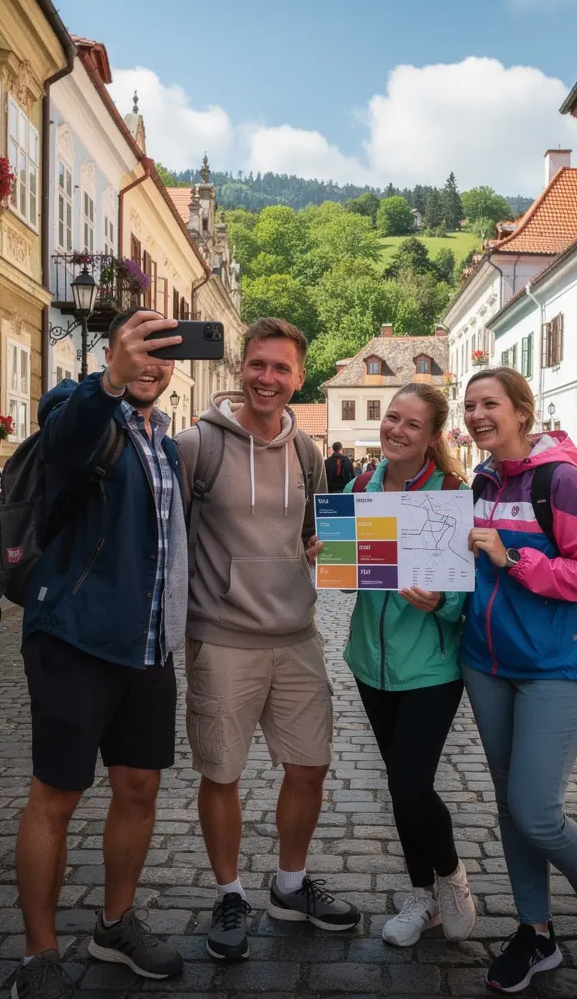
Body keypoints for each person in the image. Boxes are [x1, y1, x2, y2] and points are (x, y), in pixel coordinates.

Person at [12, 309, 187, 999]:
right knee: (56, 794)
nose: (152, 363)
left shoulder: (165, 444)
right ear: (113, 349)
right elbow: (67, 441)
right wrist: (107, 381)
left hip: (148, 645)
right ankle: (38, 954)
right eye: (139, 349)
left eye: (163, 355)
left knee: (138, 788)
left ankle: (114, 925)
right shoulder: (78, 406)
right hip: (75, 638)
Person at [176, 318, 361, 963]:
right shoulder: (197, 446)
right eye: (258, 364)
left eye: (281, 369)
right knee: (221, 771)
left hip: (297, 633)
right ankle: (229, 892)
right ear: (241, 368)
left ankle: (289, 883)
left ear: (298, 377)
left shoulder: (308, 452)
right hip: (222, 637)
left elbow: (321, 532)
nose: (268, 378)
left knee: (309, 765)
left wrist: (323, 548)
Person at [459, 368, 577, 993]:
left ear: (522, 412)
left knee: (536, 811)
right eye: (471, 405)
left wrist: (514, 559)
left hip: (556, 667)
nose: (479, 415)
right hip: (486, 665)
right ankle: (537, 934)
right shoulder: (479, 481)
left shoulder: (563, 482)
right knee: (511, 808)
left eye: (491, 404)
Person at [341, 384, 477, 948]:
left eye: (412, 424)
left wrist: (441, 601)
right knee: (401, 789)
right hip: (369, 664)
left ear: (432, 436)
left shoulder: (450, 492)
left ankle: (451, 878)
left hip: (431, 668)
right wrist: (326, 552)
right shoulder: (358, 487)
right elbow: (353, 570)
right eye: (391, 418)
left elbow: (470, 590)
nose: (396, 429)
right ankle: (422, 896)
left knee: (410, 781)